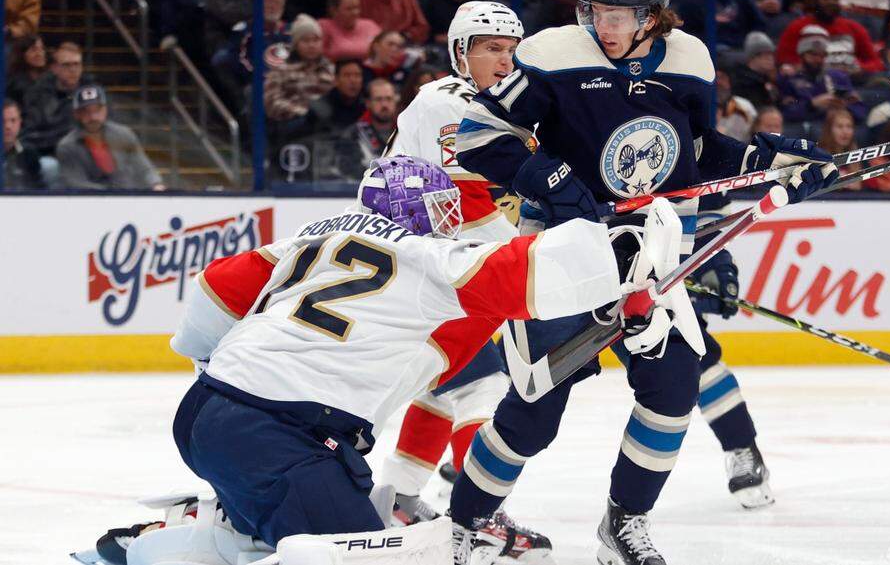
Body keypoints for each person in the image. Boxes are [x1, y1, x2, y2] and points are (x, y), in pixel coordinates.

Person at [450, 0, 836, 564]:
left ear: (654, 15)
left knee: (673, 387)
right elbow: (475, 137)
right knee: (534, 411)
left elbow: (699, 152)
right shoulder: (552, 53)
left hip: (651, 258)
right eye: (598, 10)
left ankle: (623, 524)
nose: (605, 25)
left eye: (621, 14)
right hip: (564, 255)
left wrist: (770, 165)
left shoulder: (690, 60)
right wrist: (547, 178)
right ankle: (464, 524)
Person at [158, 154, 649, 563]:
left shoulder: (310, 238)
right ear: (407, 210)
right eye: (438, 210)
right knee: (357, 557)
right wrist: (618, 245)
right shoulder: (425, 258)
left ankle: (189, 537)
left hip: (204, 411)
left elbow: (211, 290)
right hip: (281, 437)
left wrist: (218, 377)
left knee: (263, 536)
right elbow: (521, 270)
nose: (447, 223)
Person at [382, 2, 553, 552]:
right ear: (461, 52)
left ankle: (399, 499)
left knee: (442, 387)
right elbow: (469, 195)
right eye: (491, 49)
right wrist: (534, 257)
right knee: (479, 383)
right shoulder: (450, 99)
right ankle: (477, 518)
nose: (505, 62)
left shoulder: (490, 103)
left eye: (510, 50)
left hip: (437, 266)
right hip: (426, 266)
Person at [56, 85, 165, 191]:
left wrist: (156, 184)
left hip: (128, 196)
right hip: (91, 201)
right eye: (86, 111)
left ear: (105, 110)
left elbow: (143, 166)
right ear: (76, 114)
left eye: (97, 110)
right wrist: (110, 193)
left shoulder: (124, 134)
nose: (93, 117)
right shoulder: (67, 146)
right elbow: (75, 182)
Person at [775, 0, 883, 76]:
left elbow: (876, 63)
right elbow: (784, 62)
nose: (831, 2)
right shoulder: (797, 27)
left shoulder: (854, 28)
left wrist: (860, 68)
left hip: (852, 81)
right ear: (813, 1)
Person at [20, 41, 93, 169]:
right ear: (54, 68)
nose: (73, 70)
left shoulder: (92, 90)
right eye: (66, 65)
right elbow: (29, 136)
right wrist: (68, 135)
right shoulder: (37, 94)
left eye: (77, 64)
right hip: (52, 155)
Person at [265, 15, 335, 139]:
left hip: (328, 125)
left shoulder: (331, 69)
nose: (311, 45)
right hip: (295, 126)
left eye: (315, 40)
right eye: (306, 41)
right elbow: (272, 103)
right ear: (296, 44)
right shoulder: (281, 71)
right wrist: (304, 112)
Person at [777, 29, 866, 125]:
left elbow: (861, 112)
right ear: (802, 55)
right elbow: (786, 114)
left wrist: (844, 107)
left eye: (822, 55)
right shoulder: (791, 79)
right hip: (807, 129)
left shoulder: (839, 77)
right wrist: (812, 104)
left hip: (838, 126)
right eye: (813, 55)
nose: (818, 59)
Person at [336, 78, 399, 181]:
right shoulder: (353, 134)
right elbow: (348, 171)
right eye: (378, 99)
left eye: (389, 99)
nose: (384, 105)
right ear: (368, 103)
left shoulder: (406, 132)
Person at [307, 60, 366, 139]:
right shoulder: (321, 107)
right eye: (347, 75)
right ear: (336, 80)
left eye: (357, 75)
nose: (353, 80)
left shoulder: (368, 105)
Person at [318, 0, 382, 62]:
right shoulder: (324, 26)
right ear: (334, 10)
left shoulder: (370, 25)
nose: (355, 12)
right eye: (349, 9)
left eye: (357, 7)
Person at [731, 31, 780, 108]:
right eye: (765, 55)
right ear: (752, 58)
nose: (770, 59)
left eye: (771, 55)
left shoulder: (769, 79)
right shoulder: (743, 82)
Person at [3, 98, 44, 190]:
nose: (8, 126)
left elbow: (39, 190)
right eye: (2, 121)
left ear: (20, 122)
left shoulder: (29, 153)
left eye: (13, 120)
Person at [5, 33, 48, 107]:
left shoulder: (48, 78)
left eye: (42, 48)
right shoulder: (15, 85)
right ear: (22, 54)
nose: (39, 53)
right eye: (34, 49)